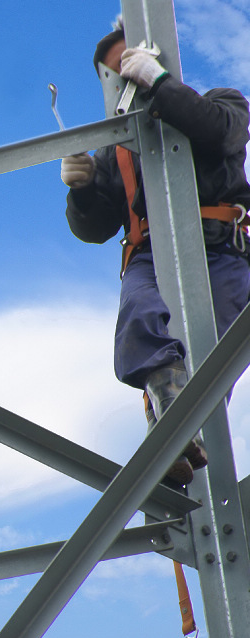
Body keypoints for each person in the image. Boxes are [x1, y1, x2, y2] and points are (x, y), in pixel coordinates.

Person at [60, 18, 250, 486]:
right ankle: (172, 431)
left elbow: (219, 133)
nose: (126, 79)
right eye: (116, 72)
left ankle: (179, 447)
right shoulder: (118, 152)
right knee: (142, 315)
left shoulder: (220, 103)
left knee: (209, 360)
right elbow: (97, 227)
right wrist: (82, 191)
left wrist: (161, 85)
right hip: (149, 254)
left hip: (223, 250)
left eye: (130, 64)